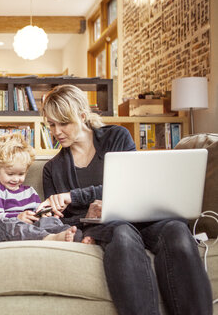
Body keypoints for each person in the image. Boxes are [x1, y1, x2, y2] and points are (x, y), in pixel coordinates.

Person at [41, 84, 212, 315]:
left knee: (176, 230)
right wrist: (86, 218)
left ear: (81, 116)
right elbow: (62, 222)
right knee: (122, 234)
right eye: (51, 125)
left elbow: (129, 186)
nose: (56, 131)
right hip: (108, 228)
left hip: (143, 218)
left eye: (63, 123)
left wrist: (74, 196)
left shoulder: (116, 137)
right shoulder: (52, 169)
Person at [0, 132, 79, 242]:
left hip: (35, 227)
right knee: (4, 226)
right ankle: (50, 238)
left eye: (21, 174)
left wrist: (44, 214)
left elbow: (38, 211)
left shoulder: (30, 191)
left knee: (51, 220)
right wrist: (19, 217)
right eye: (10, 174)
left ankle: (70, 235)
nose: (16, 179)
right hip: (15, 228)